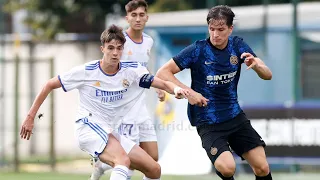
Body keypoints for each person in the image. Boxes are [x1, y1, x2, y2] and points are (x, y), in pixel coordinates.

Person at [20, 24, 189, 180]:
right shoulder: (87, 71)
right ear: (102, 49)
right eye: (110, 48)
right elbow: (49, 84)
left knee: (154, 169)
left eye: (119, 48)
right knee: (122, 161)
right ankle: (104, 163)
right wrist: (30, 117)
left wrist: (175, 90)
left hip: (110, 132)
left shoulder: (131, 71)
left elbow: (161, 82)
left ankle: (101, 164)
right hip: (87, 126)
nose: (115, 53)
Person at [156, 5, 273, 180]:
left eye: (221, 29)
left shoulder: (238, 45)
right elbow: (163, 73)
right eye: (212, 29)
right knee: (227, 168)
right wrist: (190, 93)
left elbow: (267, 74)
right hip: (207, 121)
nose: (215, 34)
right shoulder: (198, 50)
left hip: (234, 117)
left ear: (230, 29)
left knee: (262, 167)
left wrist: (256, 66)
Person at [90, 1, 165, 179]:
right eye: (134, 15)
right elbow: (107, 68)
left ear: (147, 17)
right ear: (127, 18)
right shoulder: (120, 42)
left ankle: (101, 165)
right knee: (126, 161)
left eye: (141, 15)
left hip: (141, 105)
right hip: (124, 108)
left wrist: (158, 86)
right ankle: (103, 166)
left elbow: (142, 69)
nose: (138, 19)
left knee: (153, 159)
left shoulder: (149, 41)